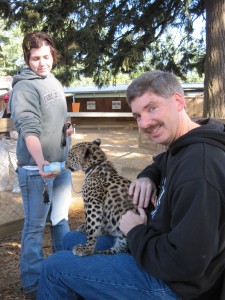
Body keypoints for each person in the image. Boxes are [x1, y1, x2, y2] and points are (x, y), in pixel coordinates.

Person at [37, 70, 225, 300]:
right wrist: (149, 175)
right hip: (156, 245)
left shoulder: (199, 170)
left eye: (152, 108)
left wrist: (135, 231)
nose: (144, 123)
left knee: (54, 268)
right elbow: (163, 162)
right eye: (137, 115)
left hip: (176, 285)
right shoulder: (185, 143)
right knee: (70, 240)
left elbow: (186, 263)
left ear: (178, 101)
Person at [10, 31, 72, 299]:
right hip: (38, 171)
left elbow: (57, 119)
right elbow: (28, 128)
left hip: (61, 168)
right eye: (35, 58)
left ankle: (66, 273)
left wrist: (67, 129)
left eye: (46, 56)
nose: (41, 62)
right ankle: (32, 285)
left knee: (60, 222)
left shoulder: (54, 82)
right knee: (34, 229)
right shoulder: (24, 87)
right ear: (27, 59)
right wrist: (41, 162)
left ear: (53, 56)